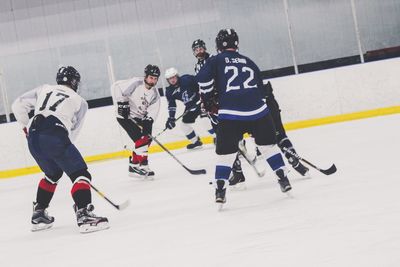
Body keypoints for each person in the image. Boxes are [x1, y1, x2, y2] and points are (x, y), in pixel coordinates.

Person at [196, 29, 292, 205]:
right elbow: (260, 90)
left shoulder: (215, 60)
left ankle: (220, 189)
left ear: (218, 45)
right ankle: (283, 177)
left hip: (231, 114)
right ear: (237, 44)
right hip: (259, 112)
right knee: (268, 147)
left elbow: (202, 79)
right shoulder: (249, 62)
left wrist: (209, 99)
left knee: (225, 155)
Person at [11, 66, 109, 233]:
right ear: (74, 81)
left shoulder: (44, 88)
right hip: (55, 135)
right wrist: (63, 153)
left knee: (53, 173)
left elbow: (17, 105)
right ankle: (84, 214)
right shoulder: (80, 101)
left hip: (34, 136)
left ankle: (39, 214)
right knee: (80, 174)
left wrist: (27, 127)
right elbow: (72, 134)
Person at [192, 38, 246, 188]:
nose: (199, 51)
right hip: (212, 106)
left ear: (205, 48)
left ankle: (239, 167)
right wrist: (203, 101)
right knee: (223, 138)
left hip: (221, 104)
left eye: (200, 48)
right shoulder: (197, 66)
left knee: (226, 138)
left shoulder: (213, 60)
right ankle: (238, 172)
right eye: (196, 50)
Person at [111, 64, 161, 178]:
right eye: (151, 77)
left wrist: (149, 119)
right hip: (125, 116)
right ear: (146, 76)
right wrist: (122, 102)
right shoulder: (136, 83)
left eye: (155, 78)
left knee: (146, 140)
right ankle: (143, 165)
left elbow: (154, 109)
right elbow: (116, 87)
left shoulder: (155, 94)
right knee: (140, 140)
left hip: (140, 118)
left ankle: (133, 165)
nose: (152, 80)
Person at [261, 81, 309, 176]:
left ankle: (280, 171)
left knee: (267, 142)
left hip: (259, 109)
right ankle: (293, 158)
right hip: (271, 105)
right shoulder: (253, 69)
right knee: (281, 136)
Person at [164, 67, 211, 149]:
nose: (172, 80)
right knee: (184, 125)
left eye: (173, 77)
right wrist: (171, 118)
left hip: (200, 102)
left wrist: (204, 97)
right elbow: (172, 105)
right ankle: (196, 141)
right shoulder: (169, 91)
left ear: (177, 76)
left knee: (205, 120)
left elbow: (200, 84)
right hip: (190, 106)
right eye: (169, 79)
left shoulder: (187, 79)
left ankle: (218, 137)